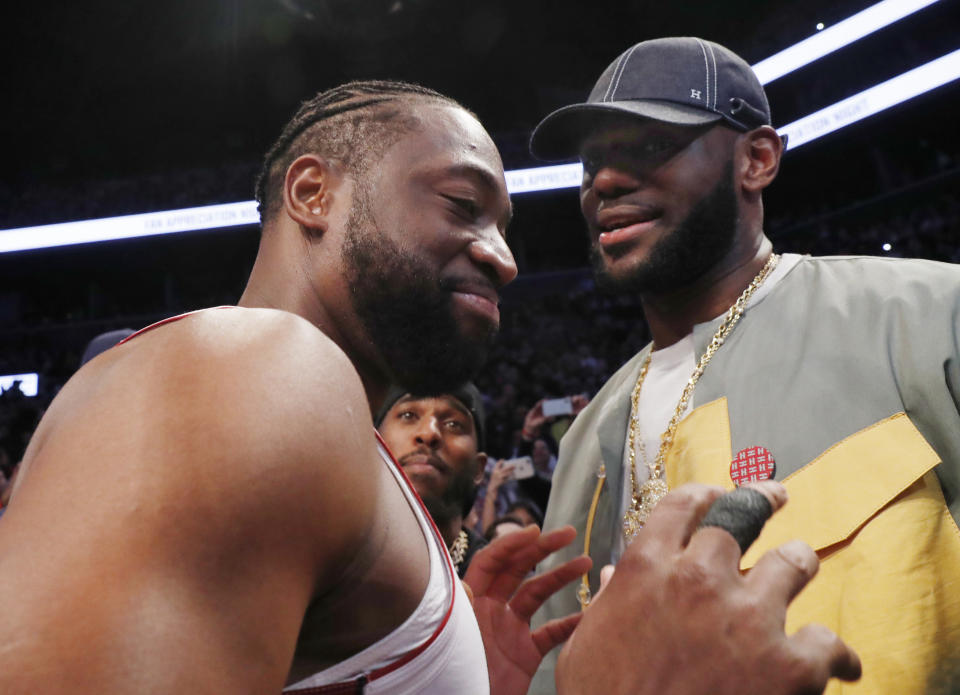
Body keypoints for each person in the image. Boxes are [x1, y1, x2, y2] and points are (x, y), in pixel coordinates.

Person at [0, 79, 857, 694]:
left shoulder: (337, 437)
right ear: (313, 192)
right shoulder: (256, 366)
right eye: (461, 203)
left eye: (507, 226)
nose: (505, 256)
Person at [527, 36, 960, 694]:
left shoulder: (925, 316)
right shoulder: (588, 436)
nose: (603, 183)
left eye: (649, 146)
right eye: (592, 164)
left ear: (755, 159)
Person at [376, 384, 490, 577]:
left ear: (479, 469)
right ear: (374, 443)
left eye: (453, 424)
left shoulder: (506, 589)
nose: (429, 433)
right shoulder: (323, 562)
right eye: (408, 415)